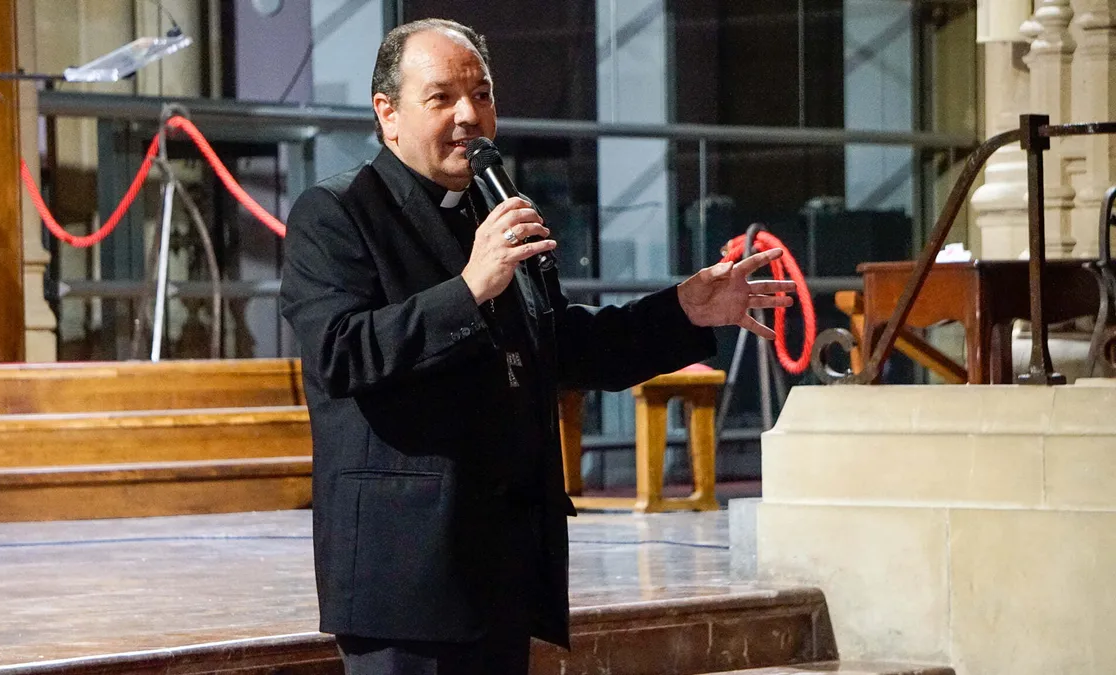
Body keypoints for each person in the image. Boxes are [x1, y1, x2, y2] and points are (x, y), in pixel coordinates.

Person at [280, 17, 795, 675]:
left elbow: (561, 345)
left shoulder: (494, 212)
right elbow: (340, 354)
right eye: (442, 98)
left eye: (482, 95)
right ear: (388, 114)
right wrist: (469, 289)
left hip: (503, 565)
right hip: (405, 575)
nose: (469, 116)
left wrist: (684, 309)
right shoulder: (337, 213)